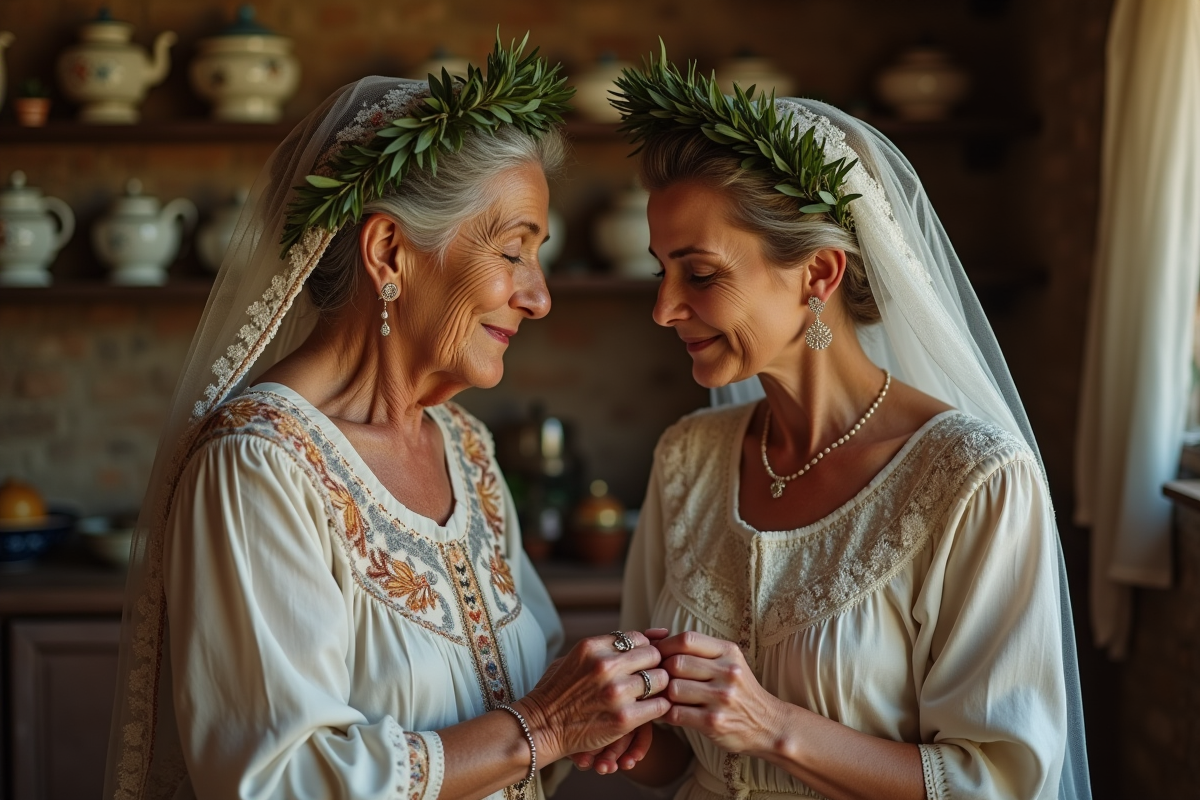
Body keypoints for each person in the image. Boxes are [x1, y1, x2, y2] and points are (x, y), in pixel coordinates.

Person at [102, 38, 671, 800]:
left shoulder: (466, 448)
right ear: (389, 252)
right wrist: (542, 726)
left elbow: (539, 697)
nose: (538, 297)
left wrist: (615, 697)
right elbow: (276, 781)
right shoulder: (258, 466)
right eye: (513, 252)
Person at [580, 51, 1091, 800]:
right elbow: (677, 757)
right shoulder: (687, 457)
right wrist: (615, 721)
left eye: (701, 273)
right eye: (661, 270)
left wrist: (771, 725)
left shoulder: (976, 480)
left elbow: (998, 783)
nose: (664, 309)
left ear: (818, 274)